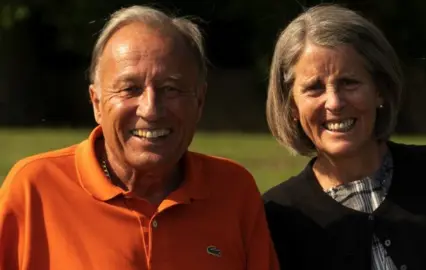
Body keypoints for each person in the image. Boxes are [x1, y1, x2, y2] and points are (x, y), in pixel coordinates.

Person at [0, 5, 279, 270]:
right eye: (130, 89)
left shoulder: (232, 191)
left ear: (199, 101)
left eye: (170, 88)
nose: (151, 110)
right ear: (96, 103)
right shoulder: (34, 188)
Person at [262, 4, 426, 270]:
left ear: (380, 89)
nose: (334, 102)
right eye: (314, 88)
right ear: (292, 107)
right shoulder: (276, 215)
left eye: (349, 82)